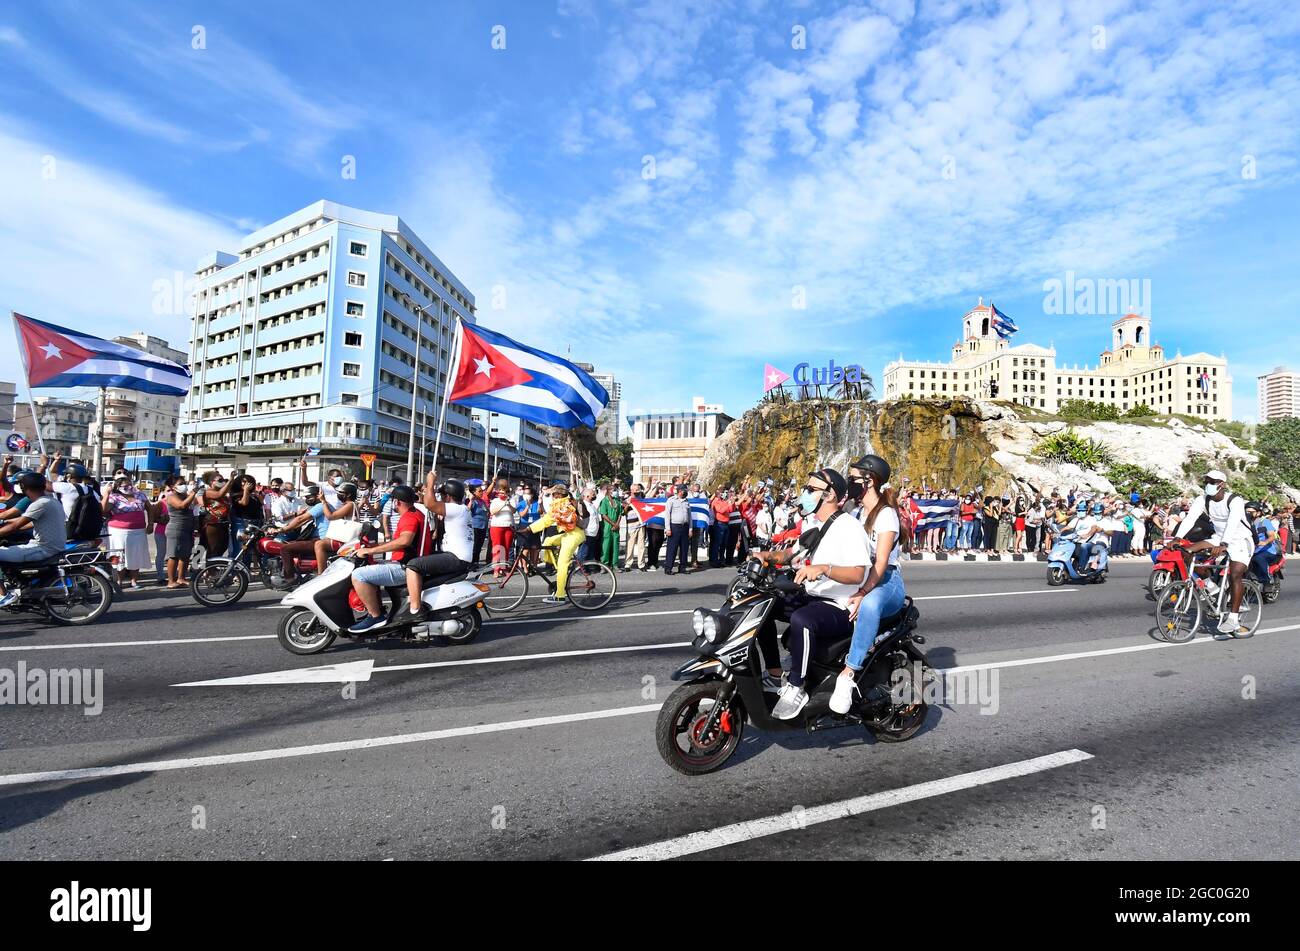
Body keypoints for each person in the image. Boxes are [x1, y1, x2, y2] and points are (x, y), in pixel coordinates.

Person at [751, 467, 869, 720]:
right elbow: (792, 553)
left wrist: (825, 569)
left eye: (810, 490)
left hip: (840, 604)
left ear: (829, 495)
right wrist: (768, 556)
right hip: (812, 596)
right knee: (763, 607)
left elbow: (858, 574)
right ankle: (774, 674)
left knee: (802, 620)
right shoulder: (815, 525)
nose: (803, 494)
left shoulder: (849, 527)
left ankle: (797, 686)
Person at [832, 455, 907, 714]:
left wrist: (863, 592)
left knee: (869, 606)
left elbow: (882, 562)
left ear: (870, 481)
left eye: (853, 479)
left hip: (886, 581)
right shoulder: (853, 511)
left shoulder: (886, 515)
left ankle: (848, 673)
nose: (849, 483)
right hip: (862, 576)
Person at [1175, 469, 1254, 637]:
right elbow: (1190, 519)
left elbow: (1233, 522)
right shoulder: (1202, 500)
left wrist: (1225, 544)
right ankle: (1212, 588)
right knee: (1186, 551)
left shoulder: (1235, 500)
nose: (1208, 485)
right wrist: (1177, 537)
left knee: (1235, 574)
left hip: (1240, 540)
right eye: (1207, 482)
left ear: (1221, 484)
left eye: (1212, 482)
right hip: (1219, 538)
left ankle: (1233, 618)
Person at [346, 485, 432, 634]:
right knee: (372, 567)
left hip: (407, 567)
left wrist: (371, 550)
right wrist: (370, 546)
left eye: (392, 501)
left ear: (397, 502)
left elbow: (404, 541)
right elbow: (398, 542)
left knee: (359, 575)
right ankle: (377, 609)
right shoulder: (416, 513)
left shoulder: (409, 518)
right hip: (407, 563)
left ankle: (376, 616)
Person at [399, 473, 475, 622]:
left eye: (442, 495)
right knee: (418, 558)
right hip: (453, 554)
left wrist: (430, 482)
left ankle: (415, 610)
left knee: (413, 565)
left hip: (456, 558)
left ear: (448, 496)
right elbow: (426, 502)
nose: (440, 498)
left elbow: (430, 504)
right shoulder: (460, 509)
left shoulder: (456, 509)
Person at [0, 473, 69, 606]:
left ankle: (3, 595)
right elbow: (26, 523)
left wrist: (6, 528)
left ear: (24, 488)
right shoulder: (51, 500)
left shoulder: (40, 504)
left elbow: (16, 525)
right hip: (51, 546)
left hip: (43, 548)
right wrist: (5, 523)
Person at [526, 482, 585, 604]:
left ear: (558, 495)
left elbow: (546, 521)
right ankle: (555, 564)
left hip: (574, 535)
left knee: (562, 564)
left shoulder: (562, 505)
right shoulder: (563, 503)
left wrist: (528, 529)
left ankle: (560, 595)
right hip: (570, 534)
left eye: (553, 494)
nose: (552, 497)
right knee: (548, 540)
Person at [102, 473, 152, 589]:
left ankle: (134, 580)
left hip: (138, 530)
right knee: (119, 555)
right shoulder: (114, 496)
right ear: (118, 487)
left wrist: (150, 523)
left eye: (129, 485)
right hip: (118, 531)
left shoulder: (140, 495)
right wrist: (106, 494)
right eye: (124, 486)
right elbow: (104, 510)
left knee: (136, 554)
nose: (128, 488)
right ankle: (119, 580)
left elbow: (150, 509)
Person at [161, 474, 200, 588]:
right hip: (176, 529)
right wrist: (193, 494)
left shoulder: (185, 495)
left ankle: (181, 578)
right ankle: (171, 581)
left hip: (187, 529)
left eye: (184, 483)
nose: (184, 485)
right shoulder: (171, 496)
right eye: (180, 484)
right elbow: (182, 505)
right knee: (173, 555)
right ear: (172, 486)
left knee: (185, 555)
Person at [198, 470, 235, 557]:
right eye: (220, 480)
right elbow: (219, 494)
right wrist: (230, 480)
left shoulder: (225, 495)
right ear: (212, 482)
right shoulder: (208, 492)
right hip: (212, 523)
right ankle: (200, 566)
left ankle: (212, 565)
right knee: (209, 547)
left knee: (222, 546)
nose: (223, 482)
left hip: (223, 523)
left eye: (223, 480)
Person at [228, 474, 263, 563]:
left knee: (249, 550)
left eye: (249, 482)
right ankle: (235, 571)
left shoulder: (254, 496)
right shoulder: (236, 495)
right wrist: (246, 491)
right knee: (240, 549)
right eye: (244, 481)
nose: (247, 484)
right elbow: (244, 503)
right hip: (242, 524)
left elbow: (260, 507)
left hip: (255, 524)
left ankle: (245, 571)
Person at [1245, 500, 1281, 586]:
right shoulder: (1244, 522)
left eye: (1251, 512)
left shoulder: (1264, 522)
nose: (1248, 513)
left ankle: (1266, 582)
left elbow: (1272, 536)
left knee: (1258, 558)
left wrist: (1265, 542)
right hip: (1250, 550)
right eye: (1246, 512)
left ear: (1258, 513)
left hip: (1268, 551)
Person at [663, 483, 693, 575]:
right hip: (674, 526)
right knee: (672, 548)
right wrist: (667, 529)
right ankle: (668, 568)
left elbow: (690, 516)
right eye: (685, 490)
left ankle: (682, 567)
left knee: (684, 549)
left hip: (685, 527)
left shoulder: (686, 501)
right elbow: (667, 515)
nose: (686, 492)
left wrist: (690, 529)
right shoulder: (671, 500)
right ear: (680, 491)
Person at [488, 481, 515, 568]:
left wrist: (509, 504)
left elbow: (514, 511)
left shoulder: (511, 500)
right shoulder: (495, 500)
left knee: (506, 548)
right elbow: (493, 512)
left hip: (508, 526)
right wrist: (503, 504)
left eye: (503, 491)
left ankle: (504, 567)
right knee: (497, 547)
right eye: (499, 491)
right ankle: (496, 568)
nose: (501, 493)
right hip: (497, 526)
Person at [622, 484, 646, 572]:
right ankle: (628, 564)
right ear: (631, 490)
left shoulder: (642, 499)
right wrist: (628, 505)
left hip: (641, 524)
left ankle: (641, 564)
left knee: (641, 545)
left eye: (638, 489)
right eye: (635, 490)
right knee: (630, 546)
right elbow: (623, 512)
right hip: (631, 526)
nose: (636, 491)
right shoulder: (626, 500)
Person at [598, 484, 622, 569]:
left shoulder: (617, 501)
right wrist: (613, 524)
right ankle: (604, 565)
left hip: (616, 526)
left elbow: (620, 513)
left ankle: (615, 564)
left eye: (615, 490)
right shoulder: (604, 501)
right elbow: (603, 514)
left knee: (615, 545)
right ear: (608, 491)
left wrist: (617, 524)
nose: (614, 492)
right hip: (607, 526)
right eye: (613, 490)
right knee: (606, 545)